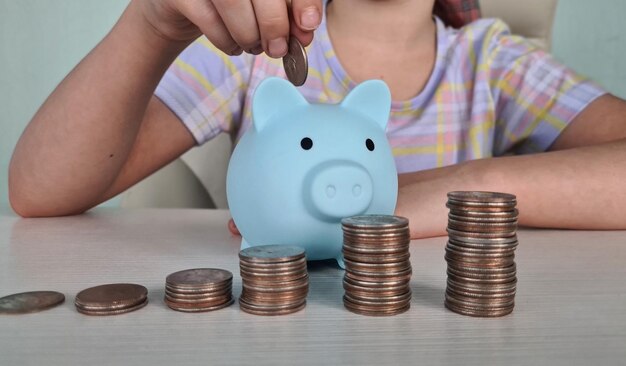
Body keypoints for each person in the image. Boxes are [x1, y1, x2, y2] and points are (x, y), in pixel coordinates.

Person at [8, 0, 626, 239]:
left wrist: (461, 193)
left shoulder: (494, 62)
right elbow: (39, 191)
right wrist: (151, 22)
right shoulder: (249, 59)